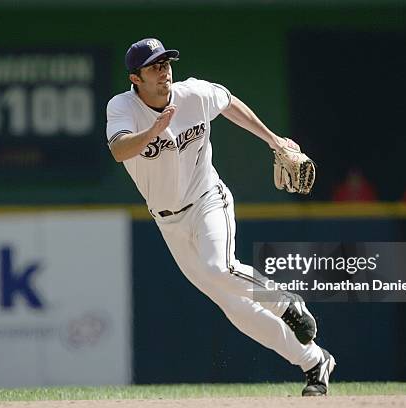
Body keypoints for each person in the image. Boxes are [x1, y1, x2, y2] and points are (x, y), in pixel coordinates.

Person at [106, 38, 335, 396]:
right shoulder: (123, 107)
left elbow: (230, 103)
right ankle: (314, 361)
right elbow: (119, 150)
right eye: (154, 66)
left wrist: (274, 141)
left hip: (207, 200)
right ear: (136, 79)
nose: (164, 70)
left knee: (219, 266)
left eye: (166, 62)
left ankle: (287, 302)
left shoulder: (193, 94)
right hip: (168, 221)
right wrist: (152, 130)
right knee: (234, 306)